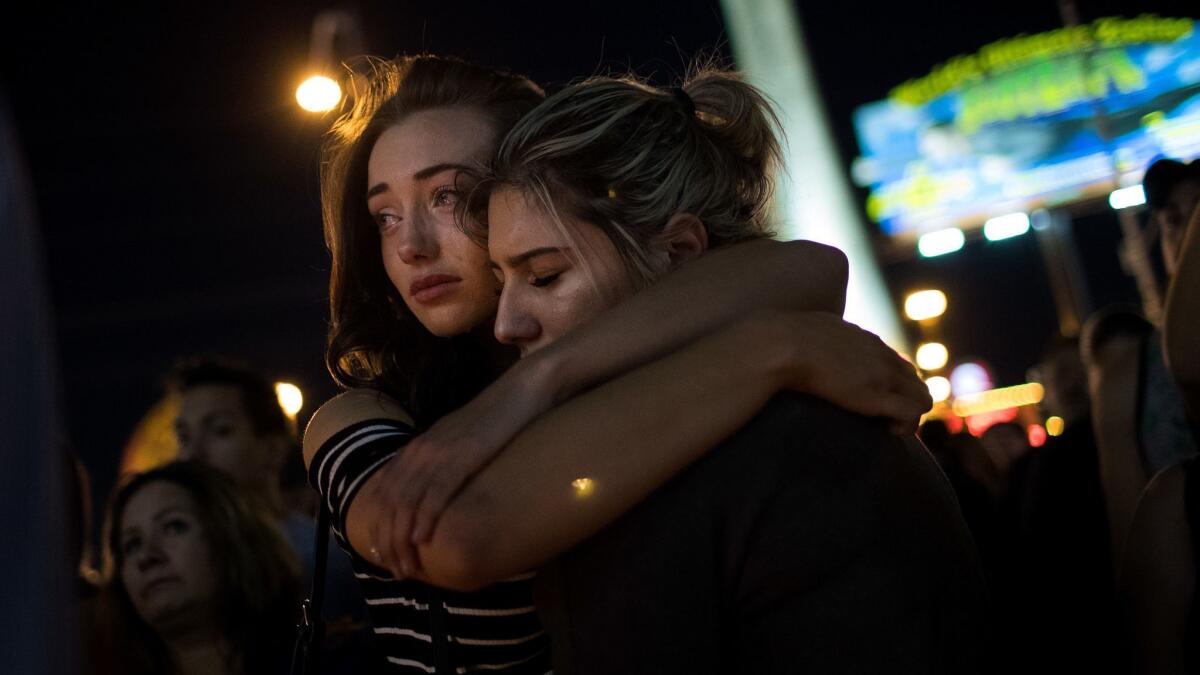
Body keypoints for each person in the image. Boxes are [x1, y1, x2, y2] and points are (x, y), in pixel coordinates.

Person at [303, 55, 932, 674]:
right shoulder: (360, 414)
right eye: (384, 216)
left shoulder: (635, 391)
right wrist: (769, 351)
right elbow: (457, 538)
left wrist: (532, 384)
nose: (410, 245)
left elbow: (816, 265)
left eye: (448, 197)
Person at [470, 70, 986, 673]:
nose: (507, 325)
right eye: (499, 281)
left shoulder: (710, 462)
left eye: (545, 276)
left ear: (679, 252)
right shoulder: (779, 417)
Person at [167, 357, 365, 624]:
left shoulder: (321, 562)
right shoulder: (174, 561)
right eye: (183, 437)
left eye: (220, 430)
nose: (191, 454)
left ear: (273, 448)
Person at [100, 461, 300, 675]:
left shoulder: (316, 661)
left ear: (231, 535)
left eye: (173, 526)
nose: (147, 556)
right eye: (132, 544)